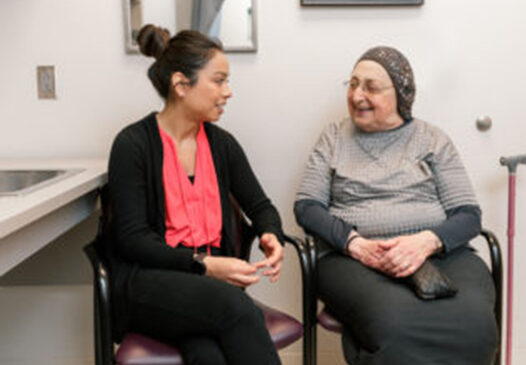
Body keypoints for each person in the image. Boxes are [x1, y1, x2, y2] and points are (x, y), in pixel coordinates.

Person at [295, 46, 498, 364]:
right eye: (352, 84)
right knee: (394, 322)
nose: (357, 95)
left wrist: (425, 242)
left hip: (437, 254)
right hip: (355, 259)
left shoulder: (432, 139)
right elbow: (307, 207)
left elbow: (468, 216)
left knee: (476, 323)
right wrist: (355, 244)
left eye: (371, 87)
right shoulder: (334, 137)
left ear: (401, 94)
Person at [106, 24, 283, 365]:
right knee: (235, 308)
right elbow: (133, 240)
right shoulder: (132, 145)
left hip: (204, 290)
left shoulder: (222, 145)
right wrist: (204, 266)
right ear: (181, 84)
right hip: (147, 285)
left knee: (208, 354)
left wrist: (270, 234)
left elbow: (261, 206)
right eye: (219, 80)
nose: (228, 91)